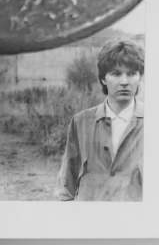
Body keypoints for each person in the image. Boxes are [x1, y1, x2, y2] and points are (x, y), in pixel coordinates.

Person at [54, 39, 145, 201]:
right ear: (103, 78)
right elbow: (66, 185)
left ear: (140, 77)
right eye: (116, 74)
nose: (124, 82)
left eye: (131, 73)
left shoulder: (155, 123)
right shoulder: (81, 122)